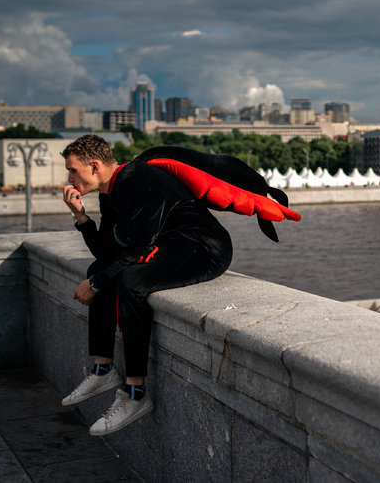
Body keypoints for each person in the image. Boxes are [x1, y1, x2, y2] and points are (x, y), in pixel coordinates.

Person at [59, 135, 299, 436]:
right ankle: (103, 368)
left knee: (130, 283)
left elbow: (139, 248)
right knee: (100, 269)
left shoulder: (138, 178)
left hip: (203, 249)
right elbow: (107, 254)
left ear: (94, 166)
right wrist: (81, 218)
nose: (68, 179)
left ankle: (135, 394)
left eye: (72, 170)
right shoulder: (110, 194)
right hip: (170, 248)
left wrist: (95, 284)